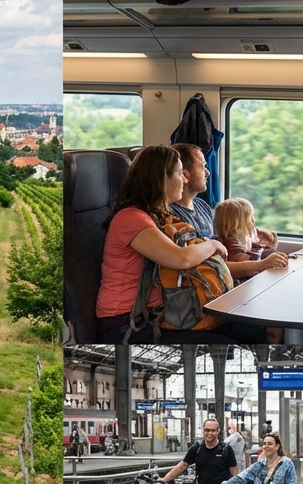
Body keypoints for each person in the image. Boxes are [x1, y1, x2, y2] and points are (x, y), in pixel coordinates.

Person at [95, 146, 266, 343]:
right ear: (162, 179)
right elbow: (181, 259)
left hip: (159, 314)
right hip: (127, 324)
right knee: (227, 345)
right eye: (179, 173)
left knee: (251, 329)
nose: (184, 179)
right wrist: (212, 245)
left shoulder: (157, 217)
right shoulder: (131, 219)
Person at [212, 197, 289, 281]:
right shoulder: (230, 242)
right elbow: (245, 263)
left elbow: (268, 245)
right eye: (250, 218)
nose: (253, 222)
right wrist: (265, 261)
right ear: (237, 224)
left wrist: (269, 246)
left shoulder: (240, 239)